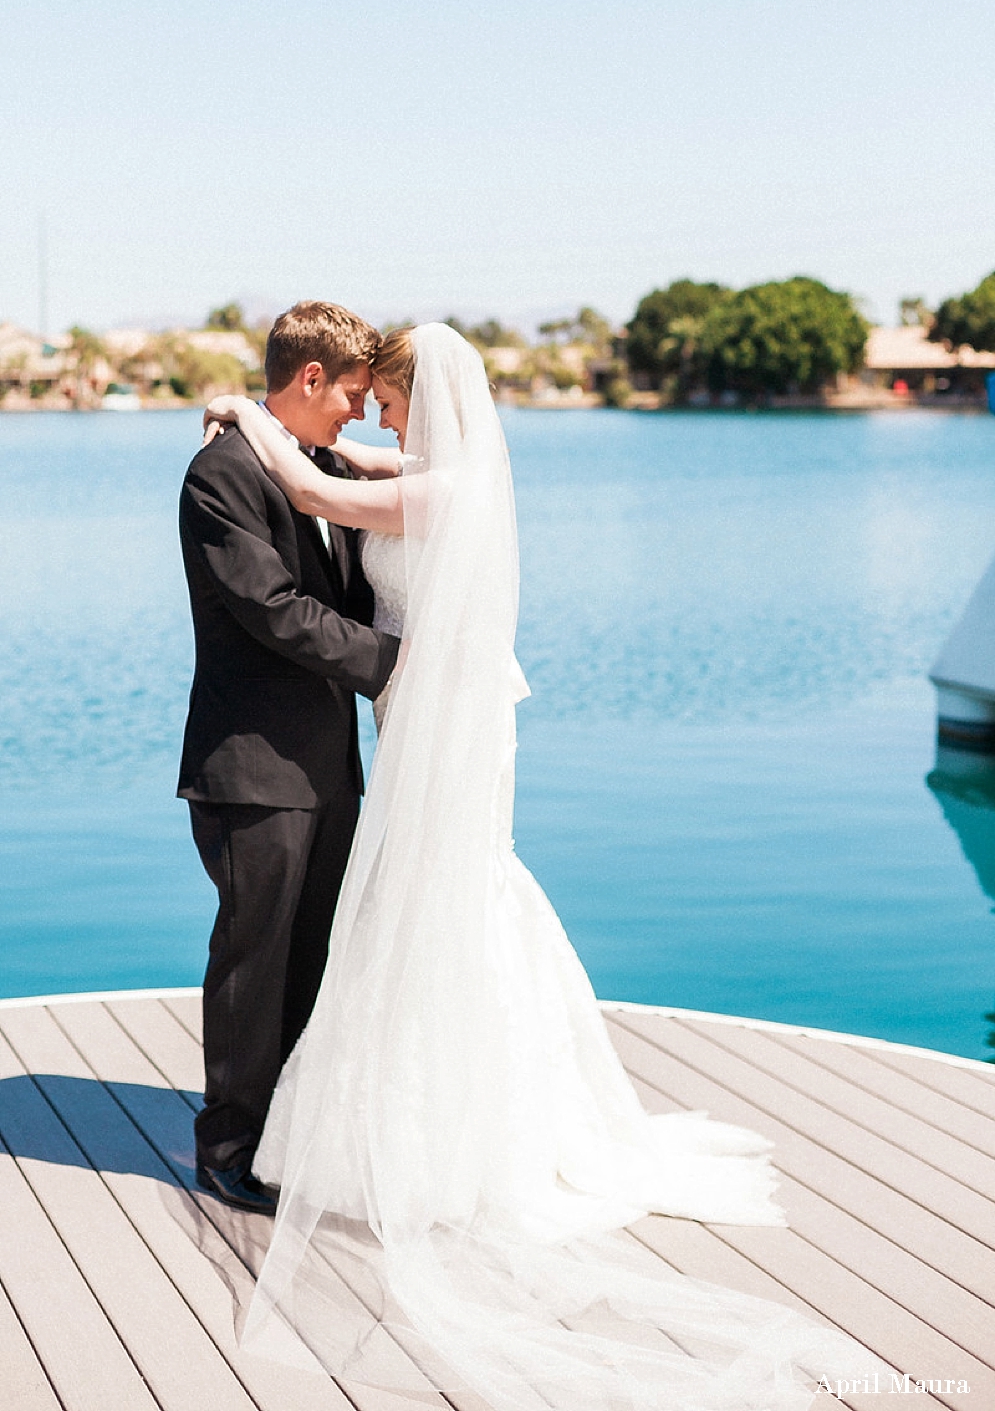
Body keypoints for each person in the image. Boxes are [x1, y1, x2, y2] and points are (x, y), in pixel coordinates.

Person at [204, 324, 880, 1409]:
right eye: (365, 400)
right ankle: (377, 1112)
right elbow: (339, 471)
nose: (374, 420)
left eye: (385, 401)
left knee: (445, 896)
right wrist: (269, 431)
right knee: (422, 900)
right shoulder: (433, 468)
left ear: (422, 400)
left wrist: (244, 414)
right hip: (428, 704)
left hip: (445, 708)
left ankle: (450, 1131)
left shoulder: (445, 487)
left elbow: (322, 496)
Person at [177, 301, 399, 1214]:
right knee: (253, 960)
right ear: (310, 379)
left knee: (311, 959)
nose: (357, 411)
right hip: (253, 769)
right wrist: (398, 667)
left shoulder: (315, 466)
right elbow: (273, 610)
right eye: (351, 393)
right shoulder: (219, 476)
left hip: (328, 766)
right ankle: (227, 1148)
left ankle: (290, 1133)